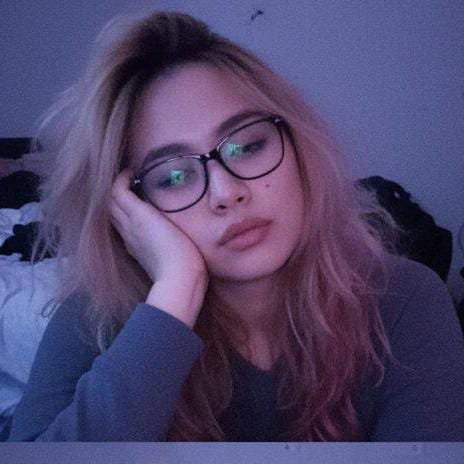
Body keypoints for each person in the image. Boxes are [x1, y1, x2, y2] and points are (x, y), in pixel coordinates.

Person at [6, 10, 464, 441]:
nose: (226, 192)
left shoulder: (405, 300)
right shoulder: (95, 319)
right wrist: (176, 291)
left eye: (247, 146)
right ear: (131, 207)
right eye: (175, 176)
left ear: (297, 145)